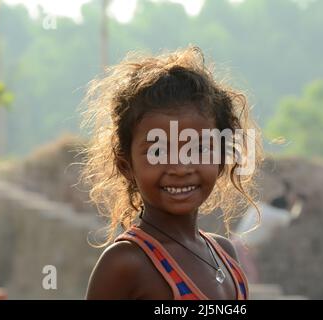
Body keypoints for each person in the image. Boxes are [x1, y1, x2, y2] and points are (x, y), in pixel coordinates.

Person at [82, 46, 263, 300]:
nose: (180, 168)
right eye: (157, 152)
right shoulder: (126, 264)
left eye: (199, 148)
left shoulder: (225, 255)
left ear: (221, 159)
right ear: (127, 167)